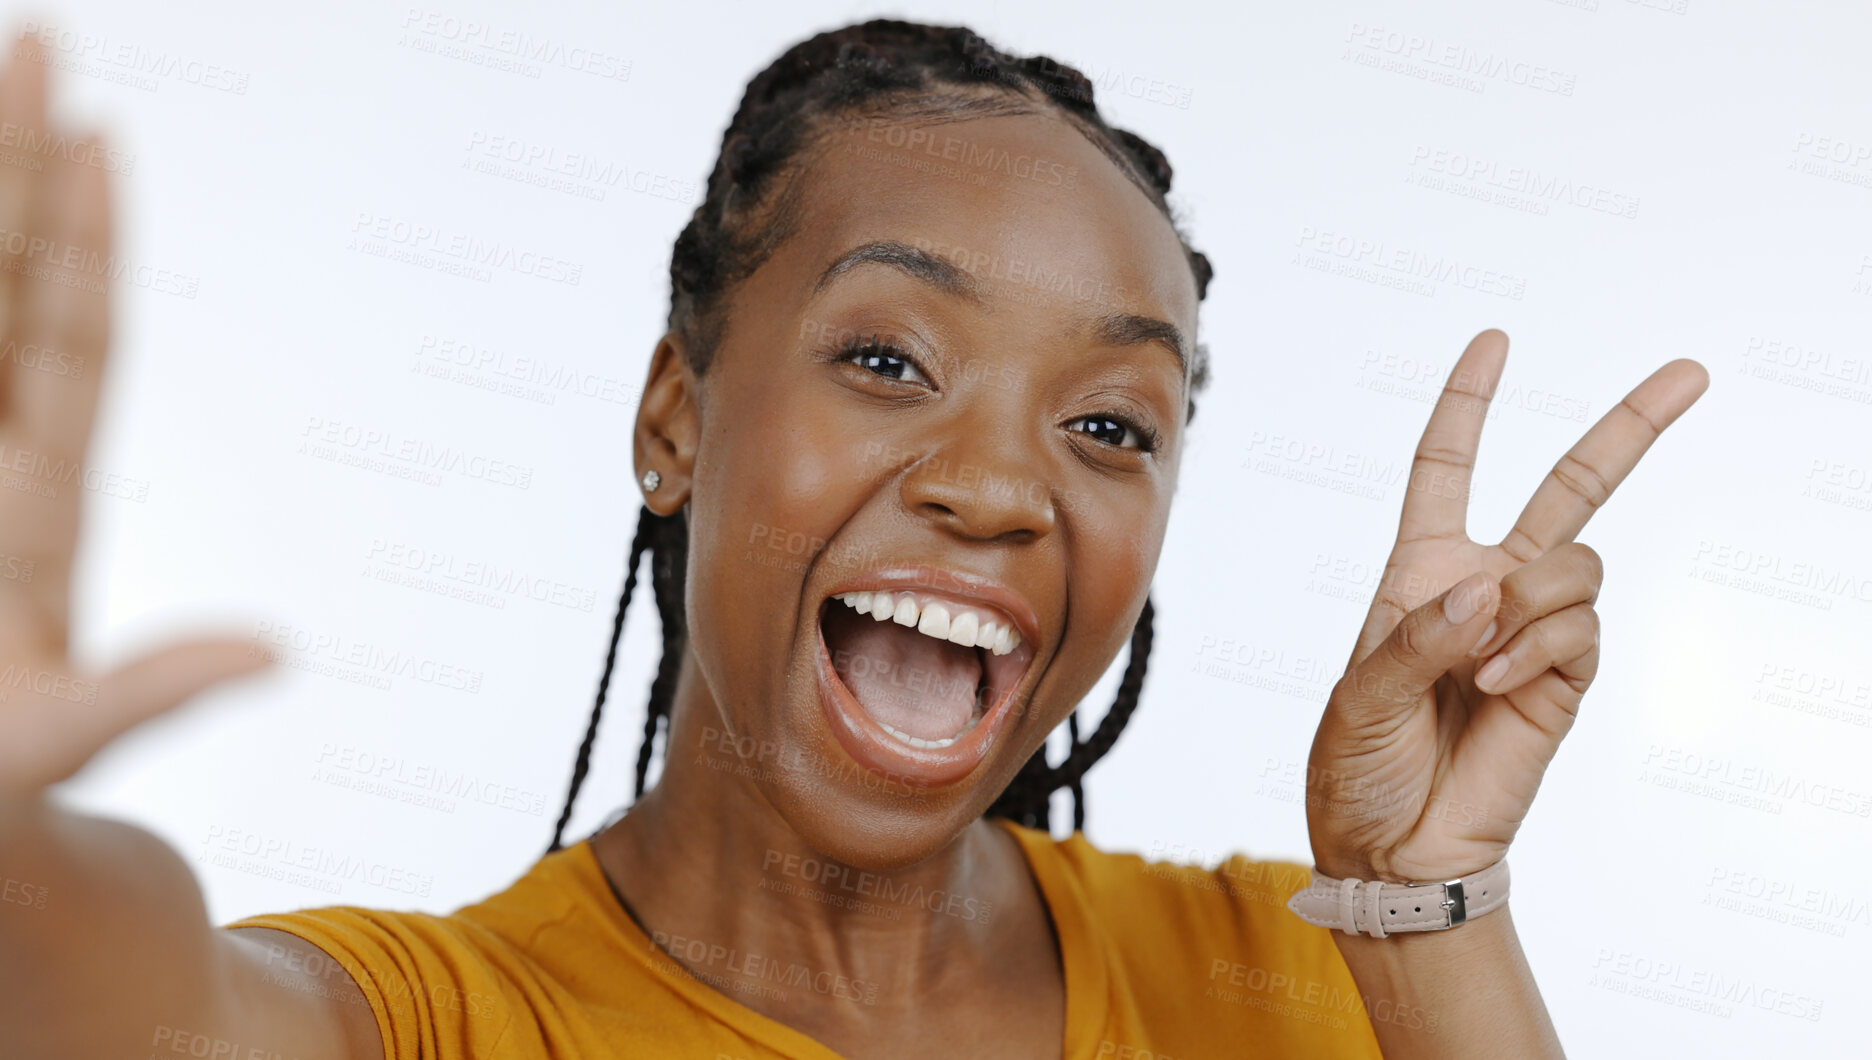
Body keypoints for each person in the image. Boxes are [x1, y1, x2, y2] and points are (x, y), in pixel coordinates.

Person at [0, 18, 1708, 1060]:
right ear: (678, 416)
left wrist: (1429, 906)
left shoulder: (1316, 972)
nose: (1001, 488)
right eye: (888, 360)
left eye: (1108, 425)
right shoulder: (436, 1020)